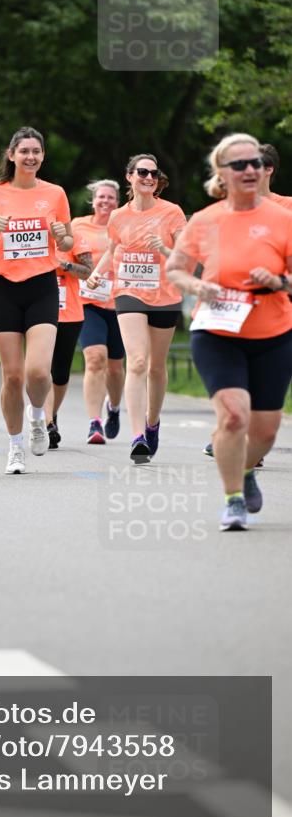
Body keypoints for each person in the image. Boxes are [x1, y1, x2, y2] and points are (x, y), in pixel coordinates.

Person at [167, 133, 292, 531]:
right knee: (234, 416)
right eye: (239, 164)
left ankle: (247, 469)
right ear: (222, 173)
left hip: (274, 329)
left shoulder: (284, 219)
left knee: (266, 428)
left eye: (255, 162)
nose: (250, 169)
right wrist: (195, 286)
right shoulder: (205, 220)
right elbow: (175, 267)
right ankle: (233, 498)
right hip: (218, 329)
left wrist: (278, 281)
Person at [0, 126, 73, 475]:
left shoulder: (55, 193)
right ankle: (15, 446)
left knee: (39, 371)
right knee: (12, 377)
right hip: (3, 288)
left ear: (43, 156)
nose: (31, 157)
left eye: (36, 151)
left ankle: (39, 416)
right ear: (11, 155)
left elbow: (68, 244)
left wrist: (62, 236)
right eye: (24, 151)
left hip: (42, 284)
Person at [85, 154, 186, 463]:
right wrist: (97, 273)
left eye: (154, 173)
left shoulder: (172, 212)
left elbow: (185, 255)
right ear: (129, 176)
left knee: (156, 366)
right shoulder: (118, 216)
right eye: (142, 172)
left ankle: (153, 422)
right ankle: (137, 436)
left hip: (165, 295)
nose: (149, 177)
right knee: (138, 361)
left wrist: (165, 249)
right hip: (128, 292)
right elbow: (114, 250)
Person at [73, 180, 126, 444]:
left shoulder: (126, 225)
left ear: (118, 202)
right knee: (95, 358)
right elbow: (64, 255)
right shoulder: (78, 225)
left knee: (116, 368)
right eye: (101, 197)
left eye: (111, 198)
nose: (106, 201)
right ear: (93, 200)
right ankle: (94, 423)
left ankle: (113, 409)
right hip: (88, 302)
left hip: (120, 304)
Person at [45, 240, 92, 448]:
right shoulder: (33, 233)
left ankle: (52, 414)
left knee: (61, 373)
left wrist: (64, 265)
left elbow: (87, 272)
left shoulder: (73, 240)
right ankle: (46, 422)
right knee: (41, 369)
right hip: (39, 314)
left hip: (69, 314)